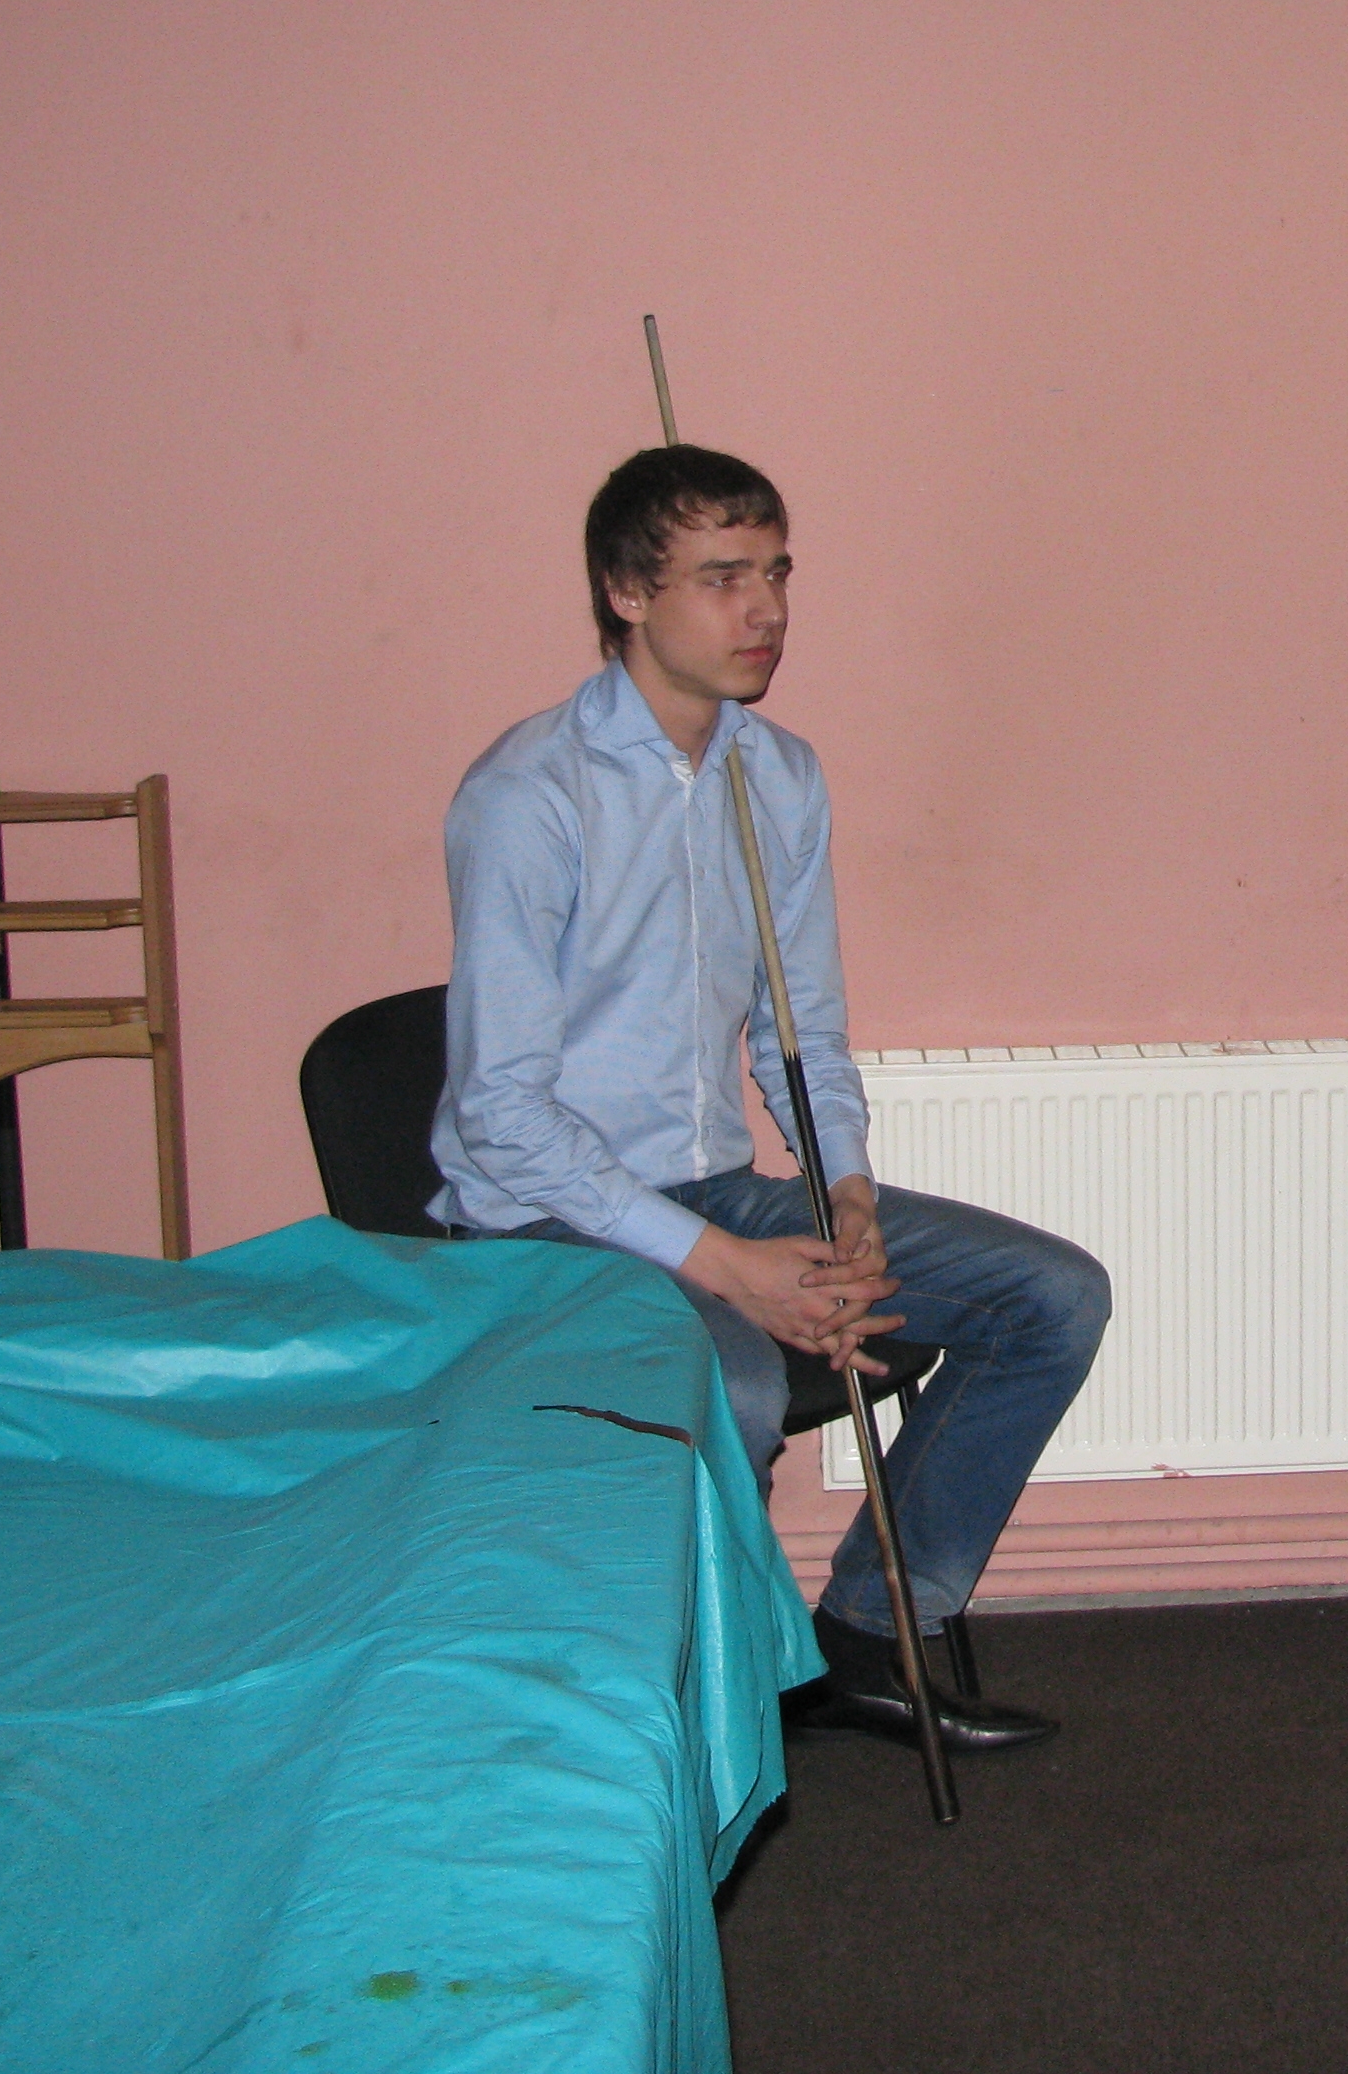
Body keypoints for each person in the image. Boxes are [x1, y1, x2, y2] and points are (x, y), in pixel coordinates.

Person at [431, 442, 1110, 1753]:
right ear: (628, 593)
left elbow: (806, 1033)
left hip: (715, 1189)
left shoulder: (777, 776)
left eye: (778, 573)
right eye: (723, 577)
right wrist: (732, 1269)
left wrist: (845, 1197)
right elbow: (502, 1116)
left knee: (1051, 1300)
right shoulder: (530, 794)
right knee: (735, 1381)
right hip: (539, 1227)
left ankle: (863, 1641)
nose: (766, 611)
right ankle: (677, 1710)